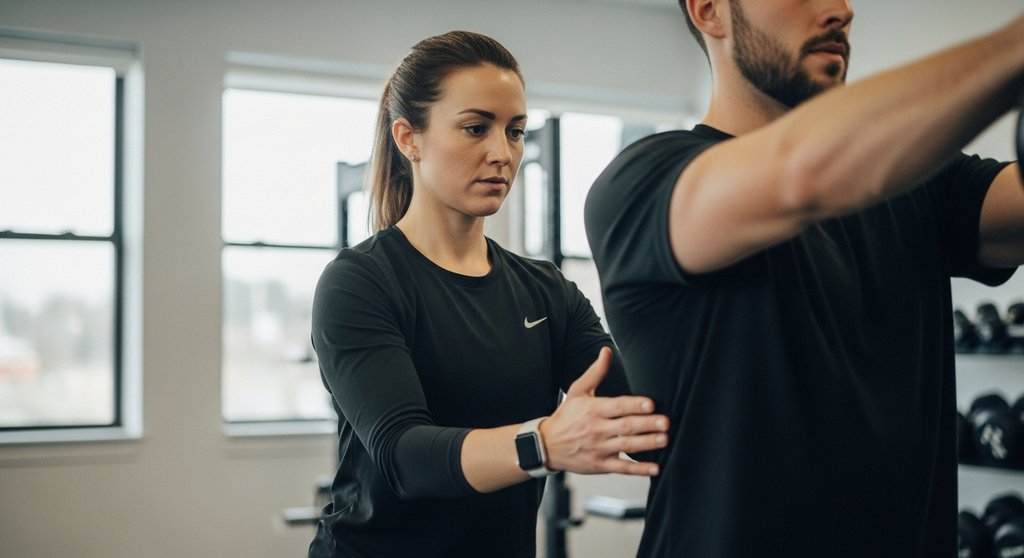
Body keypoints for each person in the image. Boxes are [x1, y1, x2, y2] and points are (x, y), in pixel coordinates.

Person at [584, 1, 1024, 556]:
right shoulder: (644, 183)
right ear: (709, 11)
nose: (841, 10)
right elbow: (803, 174)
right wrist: (1014, 46)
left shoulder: (919, 185)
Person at [308, 30, 669, 558]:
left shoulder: (546, 291)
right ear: (409, 138)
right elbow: (405, 456)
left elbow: (642, 411)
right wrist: (543, 443)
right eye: (476, 128)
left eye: (516, 131)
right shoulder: (360, 282)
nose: (503, 153)